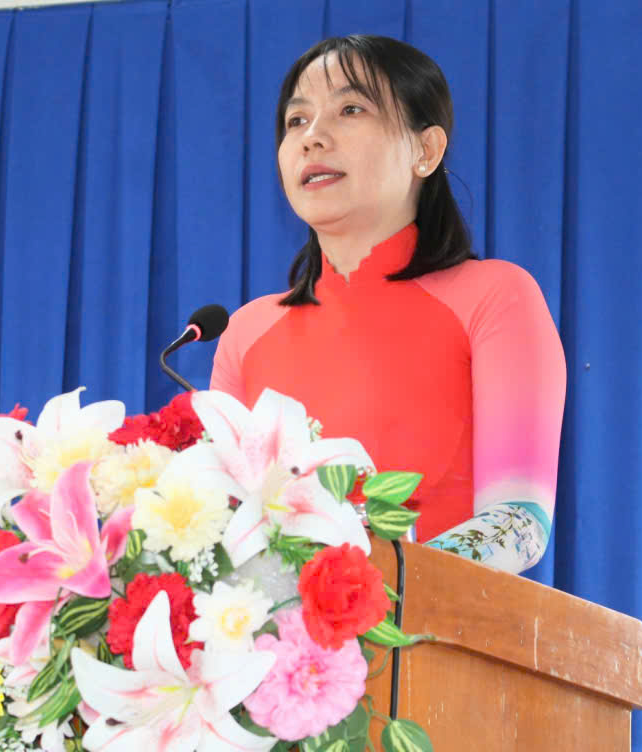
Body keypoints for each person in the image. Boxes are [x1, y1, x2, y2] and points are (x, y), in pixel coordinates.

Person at [209, 35, 566, 575]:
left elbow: (518, 523)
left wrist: (364, 593)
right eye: (296, 120)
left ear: (426, 151)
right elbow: (218, 528)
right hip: (278, 629)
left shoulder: (495, 296)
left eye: (350, 109)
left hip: (432, 625)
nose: (312, 136)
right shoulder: (246, 331)